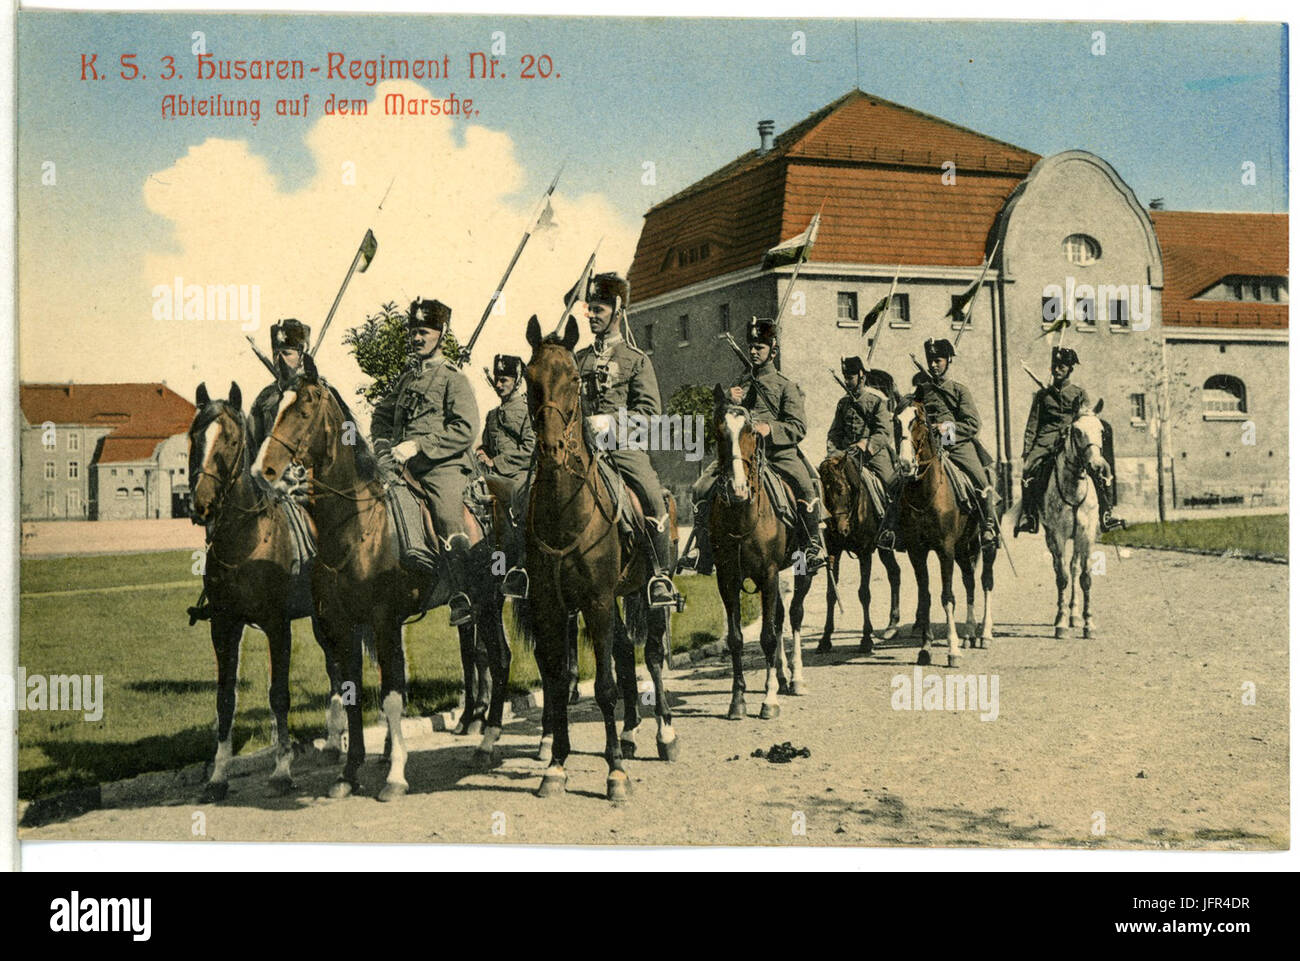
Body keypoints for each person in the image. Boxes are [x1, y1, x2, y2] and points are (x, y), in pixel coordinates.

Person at [680, 317, 827, 575]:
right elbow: (725, 422)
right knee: (701, 486)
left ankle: (811, 547)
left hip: (778, 454)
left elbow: (798, 426)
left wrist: (769, 429)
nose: (753, 351)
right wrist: (727, 400)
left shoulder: (786, 386)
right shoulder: (741, 383)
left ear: (773, 351)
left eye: (760, 346)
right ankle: (702, 550)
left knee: (807, 485)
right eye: (751, 346)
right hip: (743, 454)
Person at [370, 298, 480, 627]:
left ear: (441, 333)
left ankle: (463, 594)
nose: (417, 338)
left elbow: (465, 429)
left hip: (442, 466)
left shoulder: (453, 379)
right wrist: (382, 444)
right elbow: (381, 415)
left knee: (447, 516)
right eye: (414, 332)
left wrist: (418, 445)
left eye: (425, 332)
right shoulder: (407, 379)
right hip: (401, 466)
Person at [572, 272, 678, 609]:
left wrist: (610, 424)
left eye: (599, 308)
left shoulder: (636, 360)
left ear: (618, 310)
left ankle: (659, 576)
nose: (592, 315)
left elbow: (650, 417)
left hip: (623, 450)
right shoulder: (578, 360)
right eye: (589, 309)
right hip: (582, 451)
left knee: (651, 498)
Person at [876, 338, 999, 548]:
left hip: (957, 446)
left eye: (938, 360)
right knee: (896, 483)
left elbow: (972, 424)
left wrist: (944, 430)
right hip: (927, 448)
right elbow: (910, 412)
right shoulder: (922, 391)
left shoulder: (960, 390)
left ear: (949, 360)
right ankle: (892, 529)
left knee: (980, 480)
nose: (933, 365)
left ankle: (988, 526)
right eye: (930, 360)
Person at [1015, 346, 1124, 535]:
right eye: (1054, 366)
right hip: (1046, 440)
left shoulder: (1079, 394)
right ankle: (1030, 516)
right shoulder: (1043, 396)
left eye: (1062, 367)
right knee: (1027, 471)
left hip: (1071, 438)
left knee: (1102, 468)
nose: (1057, 370)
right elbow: (1032, 424)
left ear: (1070, 369)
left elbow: (1087, 419)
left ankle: (1106, 514)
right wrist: (1027, 450)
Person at [827, 355, 897, 489]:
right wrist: (833, 451)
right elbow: (835, 432)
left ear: (862, 377)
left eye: (850, 378)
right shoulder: (843, 403)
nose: (846, 382)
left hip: (872, 456)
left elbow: (884, 432)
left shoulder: (876, 401)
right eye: (845, 378)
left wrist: (865, 444)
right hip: (846, 454)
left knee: (891, 483)